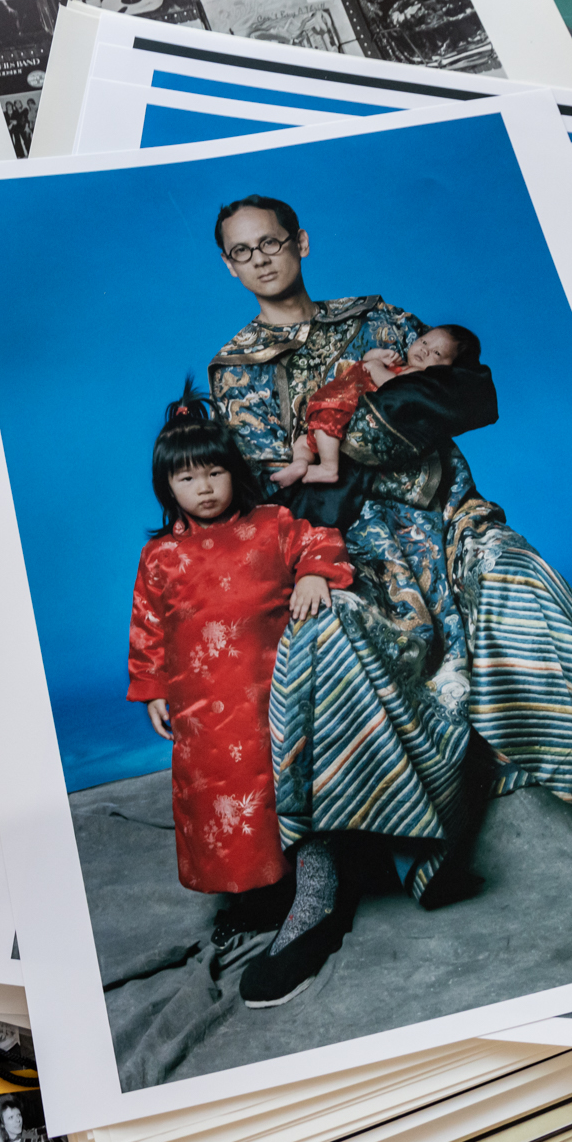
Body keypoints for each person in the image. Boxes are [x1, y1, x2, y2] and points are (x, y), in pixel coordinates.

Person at [203, 195, 572, 1007]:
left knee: (517, 569)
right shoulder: (233, 370)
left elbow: (468, 395)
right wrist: (384, 430)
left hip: (447, 518)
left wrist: (354, 441)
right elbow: (280, 486)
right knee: (314, 638)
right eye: (243, 251)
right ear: (229, 267)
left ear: (301, 241)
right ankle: (318, 887)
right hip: (347, 552)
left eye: (273, 241)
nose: (262, 258)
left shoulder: (379, 318)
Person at [127, 389, 350, 945]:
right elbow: (147, 624)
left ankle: (299, 889)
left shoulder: (271, 524)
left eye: (213, 473)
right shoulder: (162, 555)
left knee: (276, 792)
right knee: (218, 804)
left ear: (233, 472)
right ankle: (245, 896)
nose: (203, 488)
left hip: (271, 695)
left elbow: (320, 538)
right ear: (167, 487)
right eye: (186, 479)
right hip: (200, 707)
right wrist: (153, 688)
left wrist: (312, 574)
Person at [270, 324, 486, 487]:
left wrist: (375, 367)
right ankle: (300, 463)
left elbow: (393, 387)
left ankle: (328, 467)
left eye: (437, 353)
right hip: (337, 408)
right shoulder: (401, 364)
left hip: (344, 410)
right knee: (303, 440)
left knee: (326, 421)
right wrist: (376, 357)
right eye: (424, 342)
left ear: (447, 369)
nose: (425, 350)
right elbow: (364, 363)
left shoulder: (418, 377)